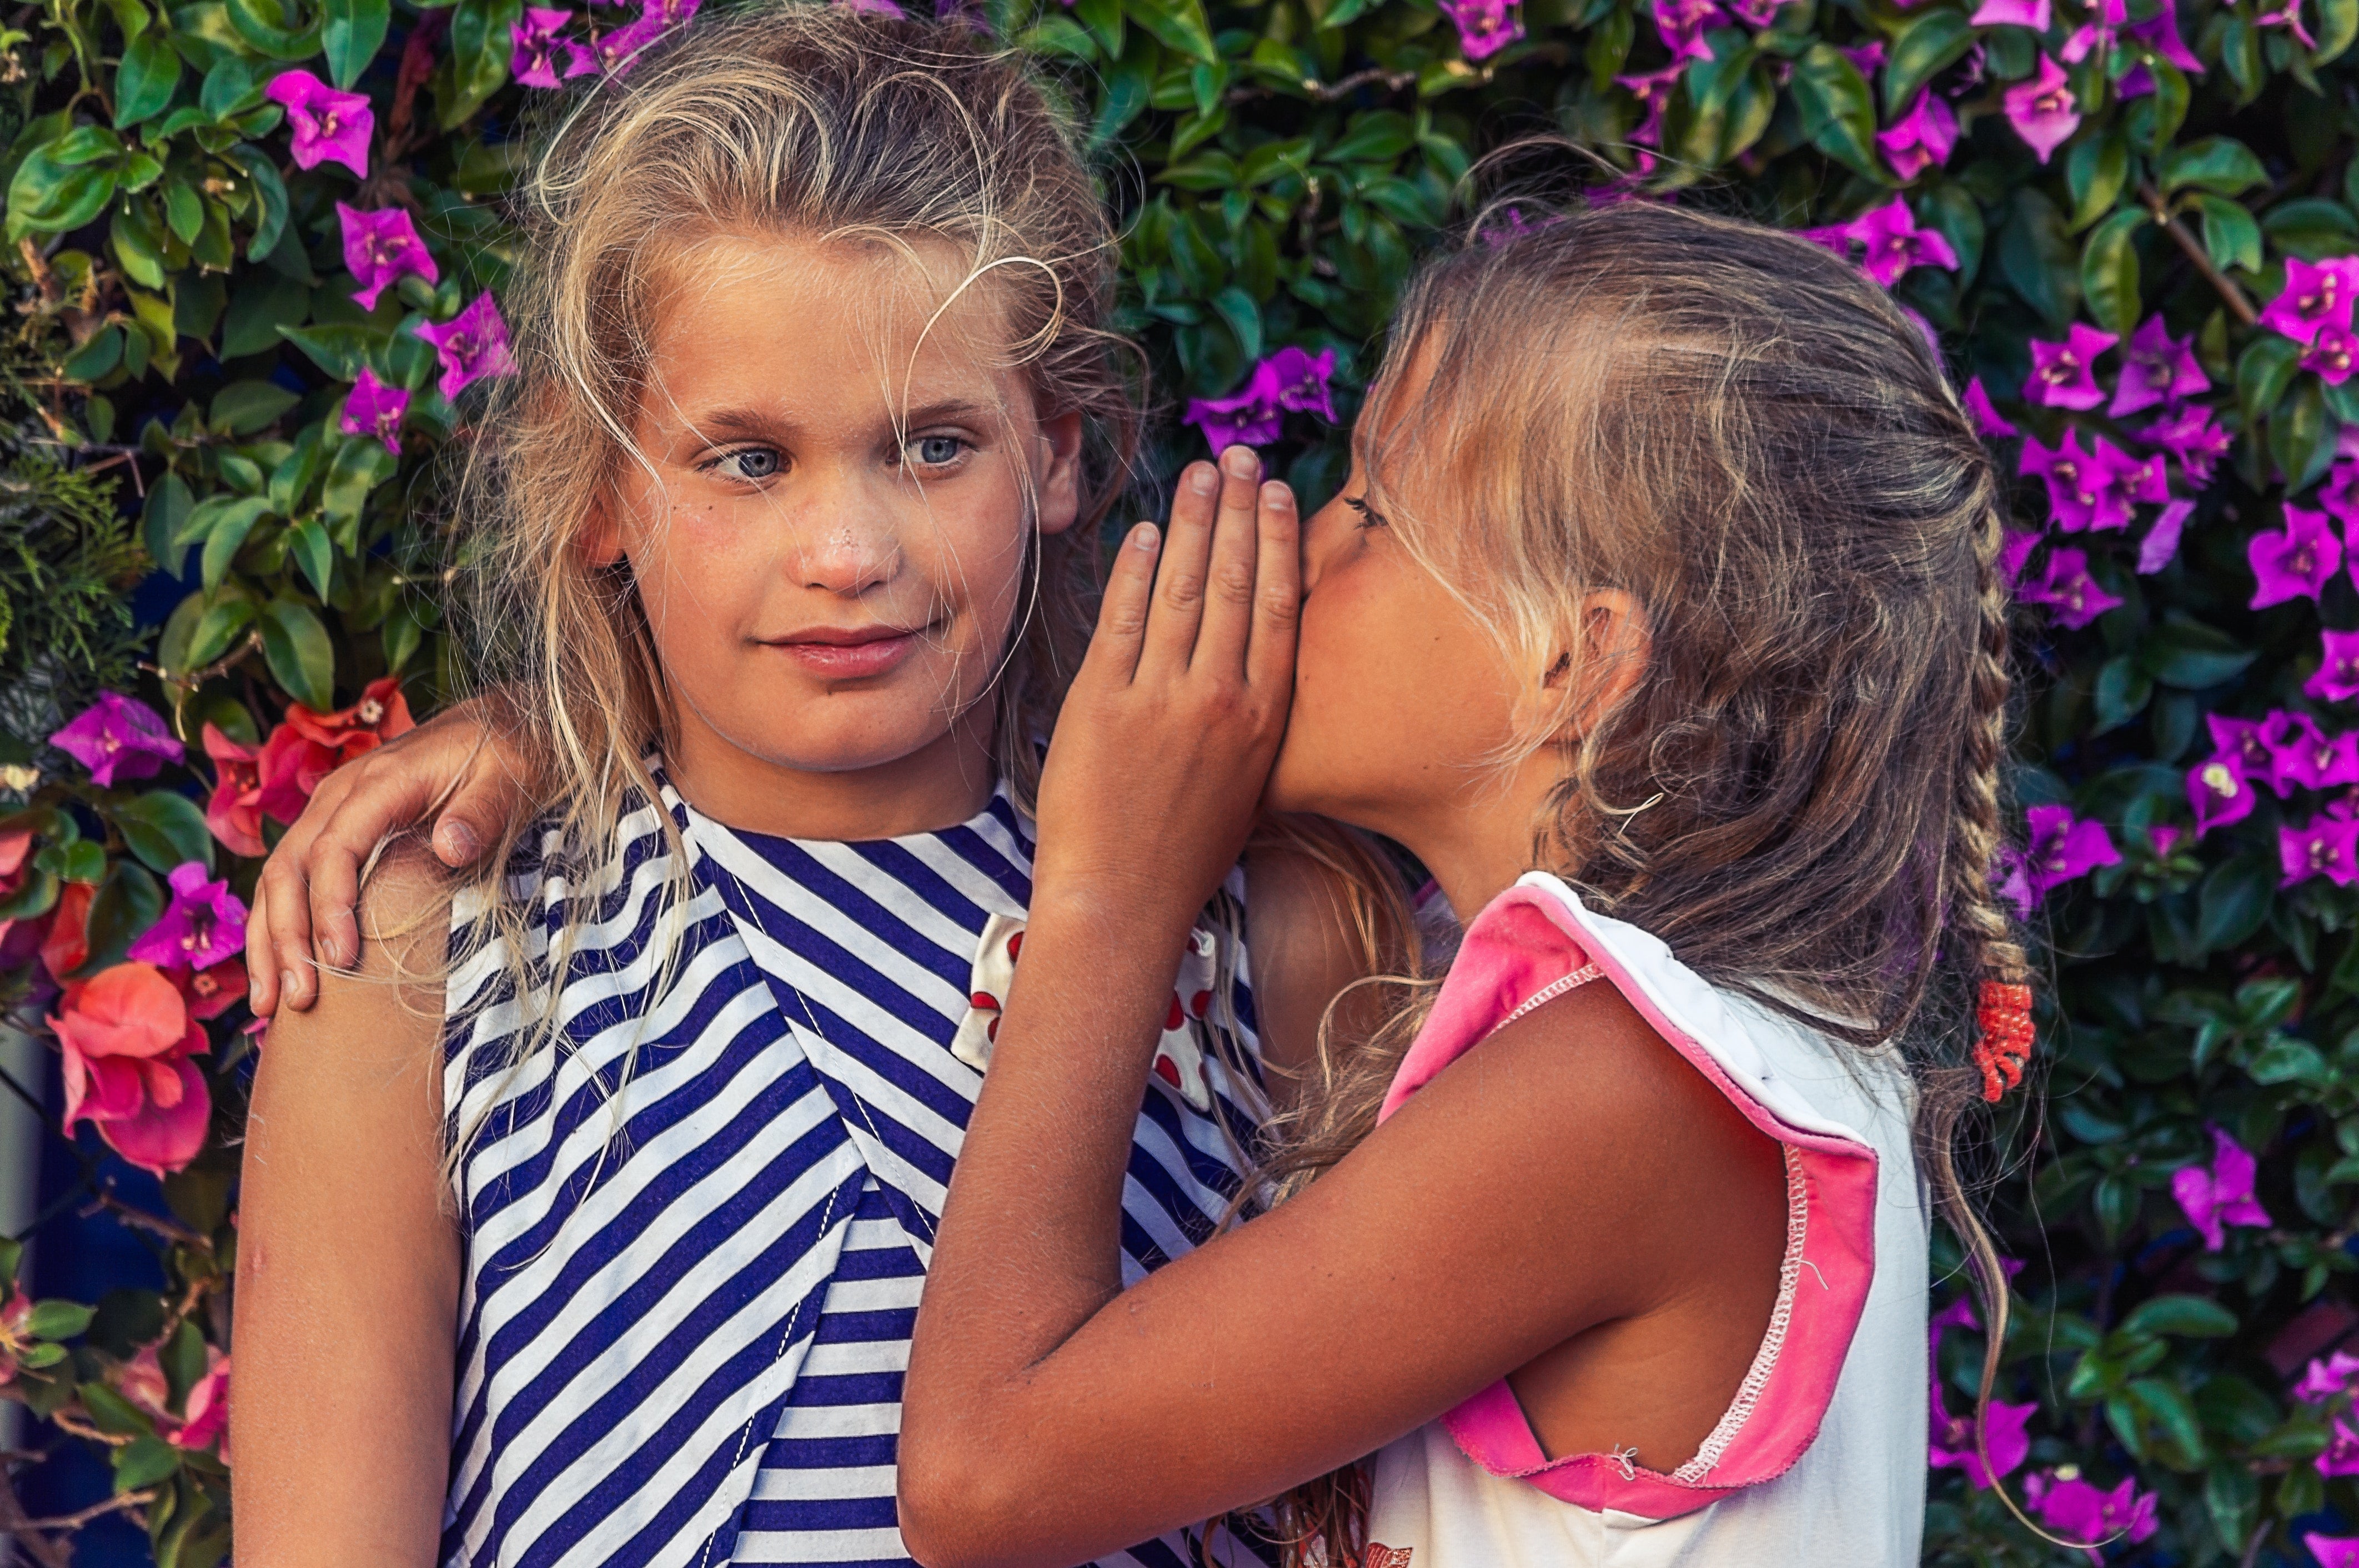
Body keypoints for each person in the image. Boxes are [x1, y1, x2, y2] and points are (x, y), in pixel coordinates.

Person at [228, 11, 1388, 1566]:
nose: (847, 556)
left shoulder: (1266, 933)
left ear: (1052, 454)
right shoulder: (429, 949)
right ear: (596, 489)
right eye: (748, 461)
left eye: (930, 445)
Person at [894, 198, 2029, 1567]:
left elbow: (983, 1480)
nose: (1303, 546)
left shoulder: (1632, 1093)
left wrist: (1105, 895)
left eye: (1369, 511)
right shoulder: (1680, 1044)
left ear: (1580, 662)